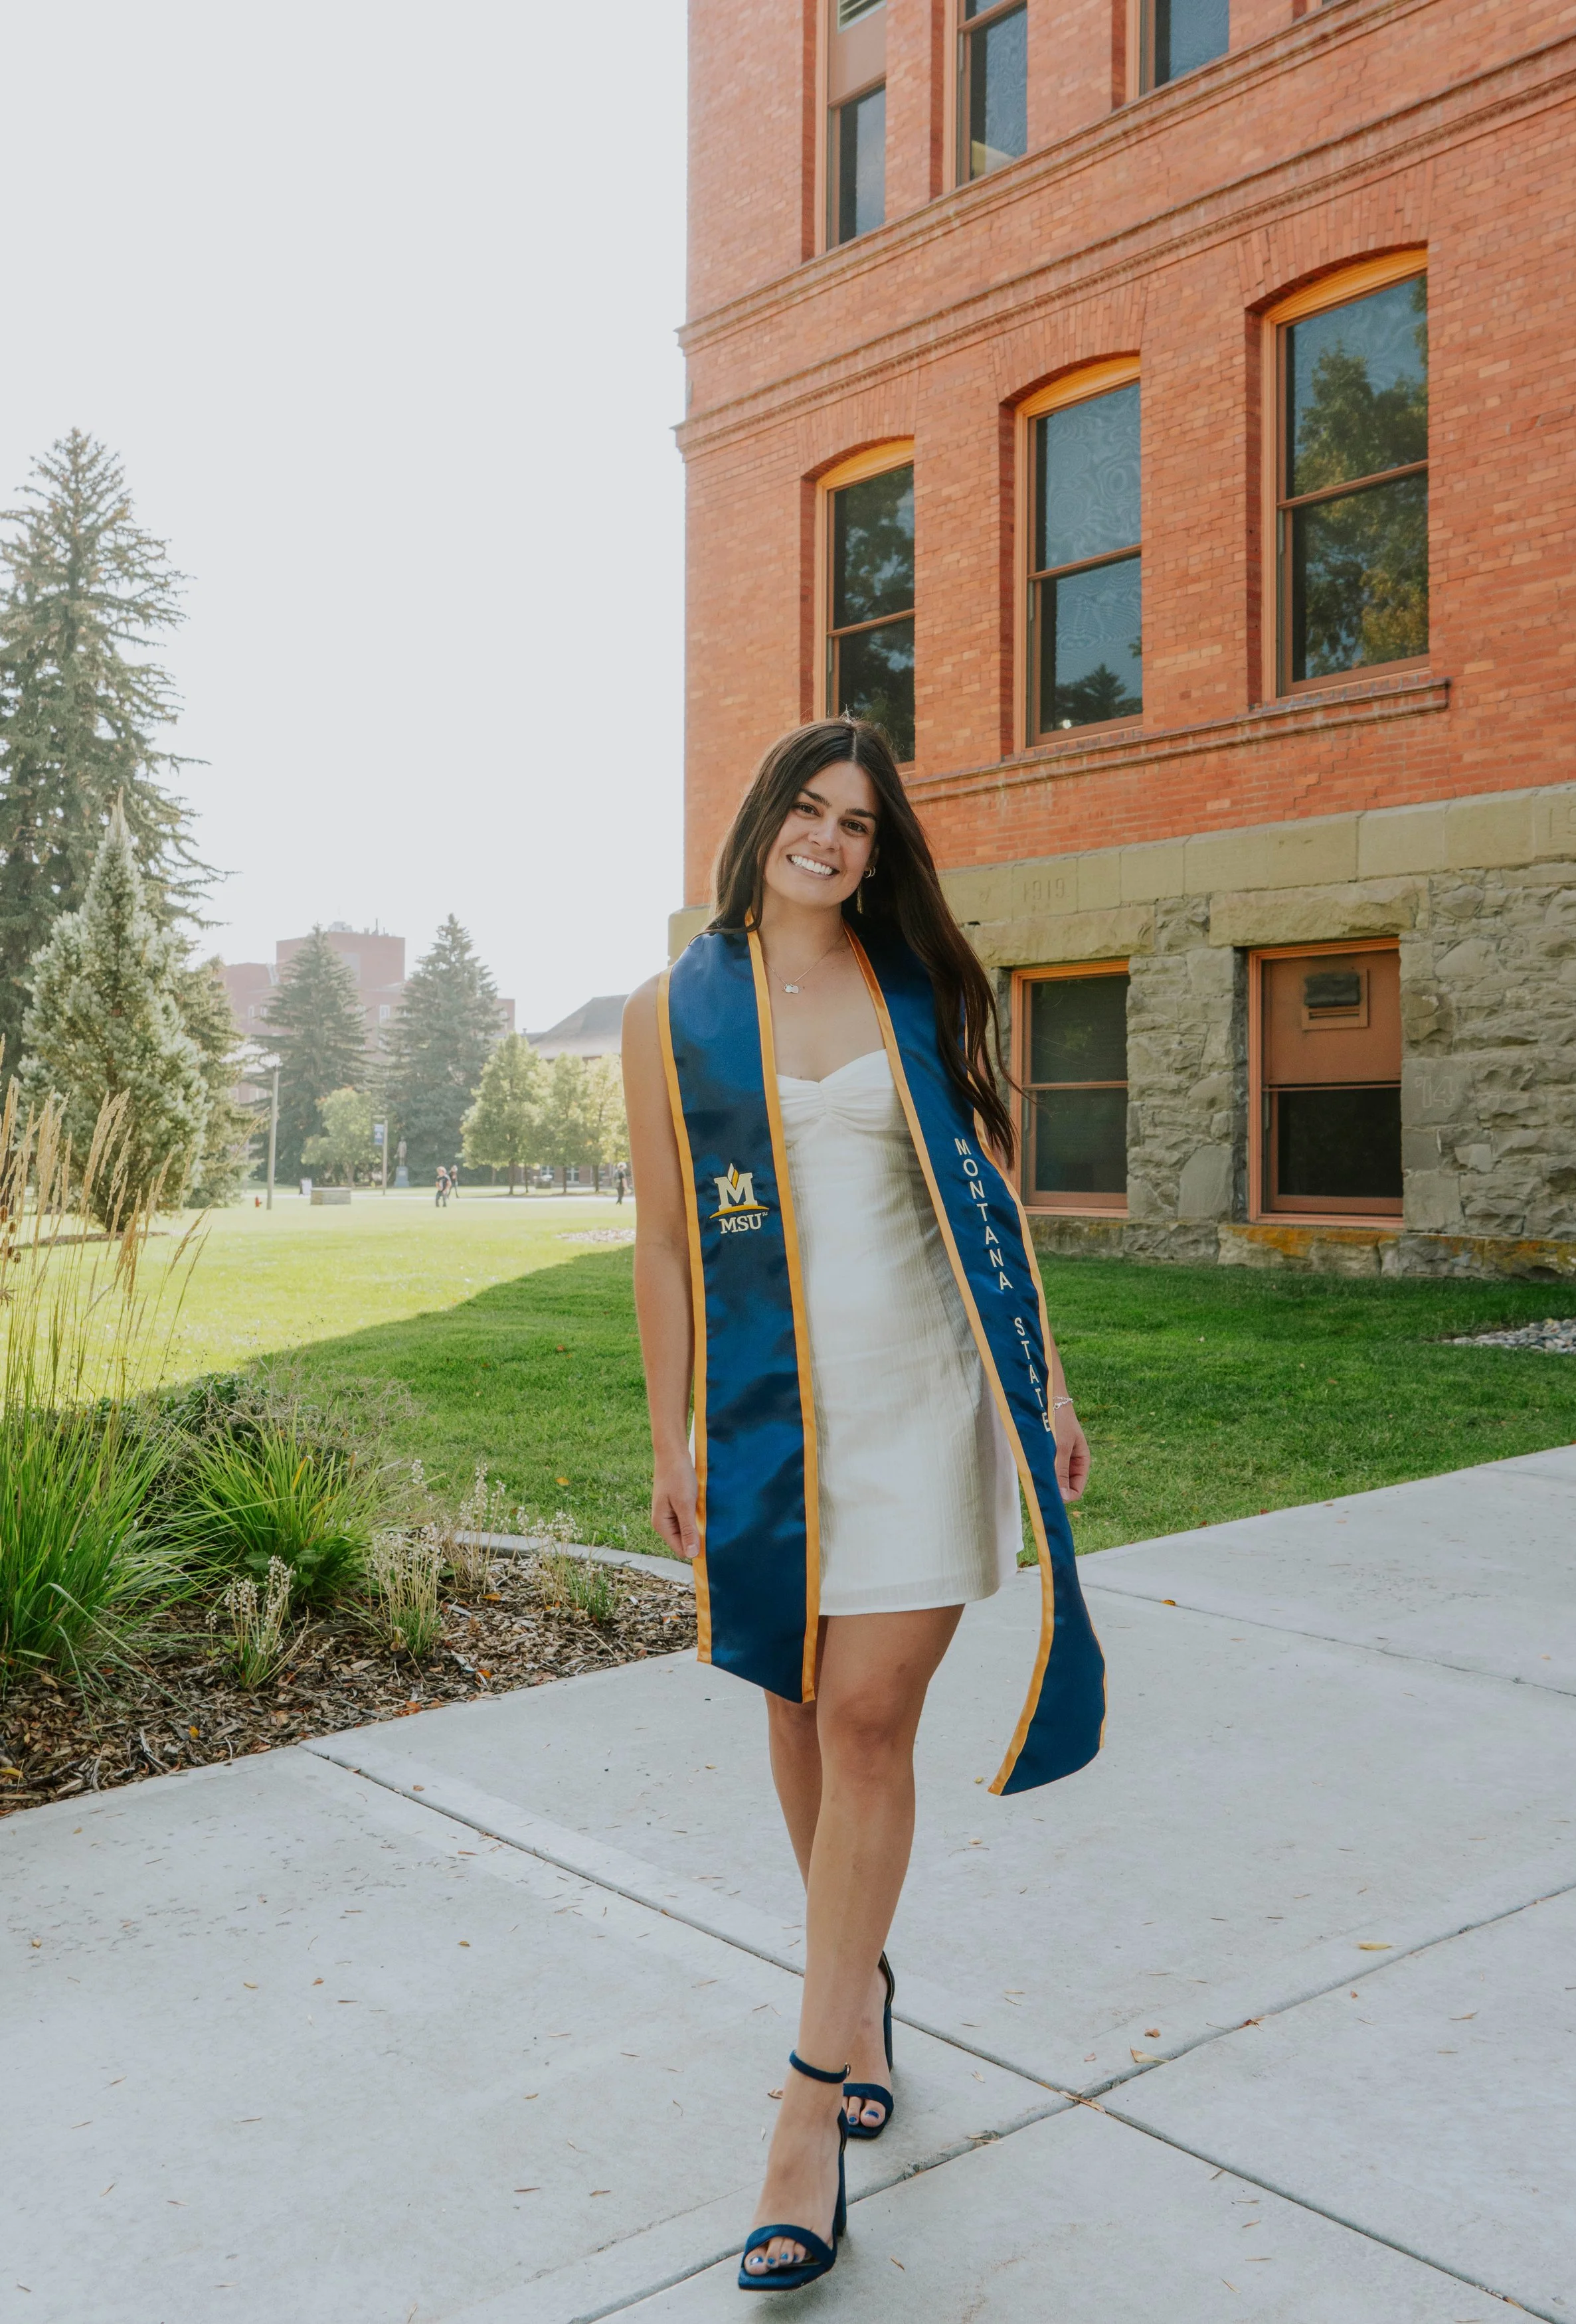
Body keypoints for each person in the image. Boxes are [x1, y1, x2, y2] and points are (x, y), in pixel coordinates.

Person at [622, 718, 1104, 2293]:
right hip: (770, 1424)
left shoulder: (914, 991)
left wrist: (1045, 1383)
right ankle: (863, 1990)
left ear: (878, 853)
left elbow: (982, 1194)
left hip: (918, 1398)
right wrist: (671, 1433)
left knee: (870, 1722)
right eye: (808, 811)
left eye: (859, 825)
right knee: (794, 1707)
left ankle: (806, 2111)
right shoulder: (670, 1014)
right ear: (762, 820)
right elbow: (667, 1248)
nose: (828, 840)